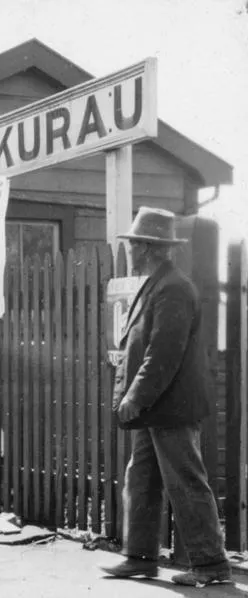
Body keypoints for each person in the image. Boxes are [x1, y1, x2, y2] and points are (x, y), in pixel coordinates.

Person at [99, 208, 231, 587]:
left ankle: (211, 565)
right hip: (158, 406)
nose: (130, 250)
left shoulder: (173, 287)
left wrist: (136, 395)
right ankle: (140, 557)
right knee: (141, 477)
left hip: (170, 406)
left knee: (185, 481)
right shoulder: (158, 283)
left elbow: (163, 353)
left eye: (134, 244)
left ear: (147, 247)